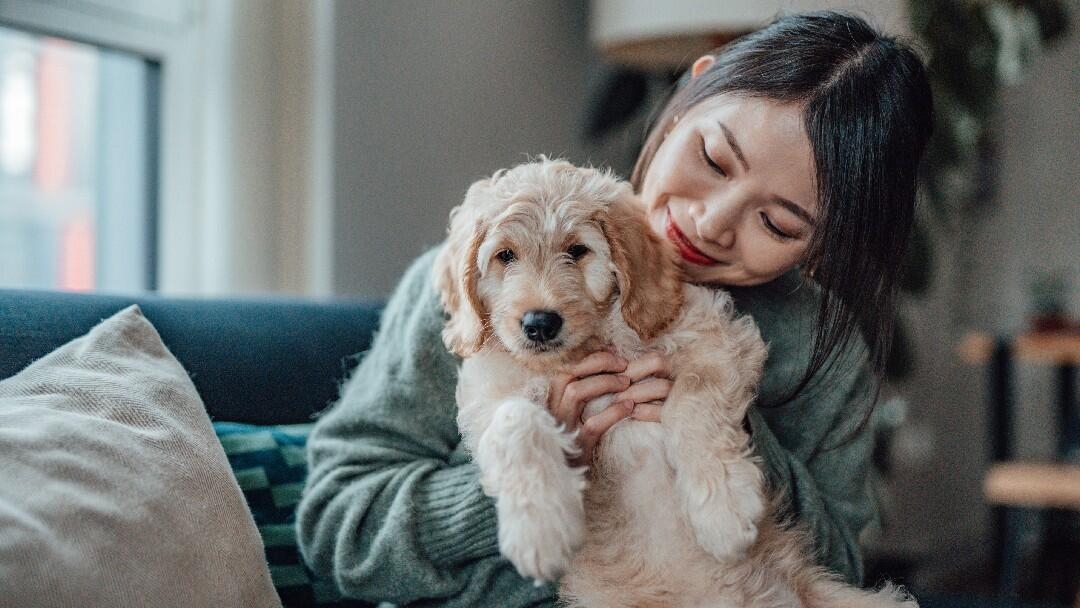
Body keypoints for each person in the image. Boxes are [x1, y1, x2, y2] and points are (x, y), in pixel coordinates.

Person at [297, 10, 933, 607]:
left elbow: (837, 568)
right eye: (712, 159)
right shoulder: (484, 288)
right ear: (693, 90)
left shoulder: (824, 348)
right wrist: (531, 475)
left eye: (776, 222)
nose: (710, 221)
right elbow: (338, 525)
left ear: (825, 240)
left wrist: (729, 432)